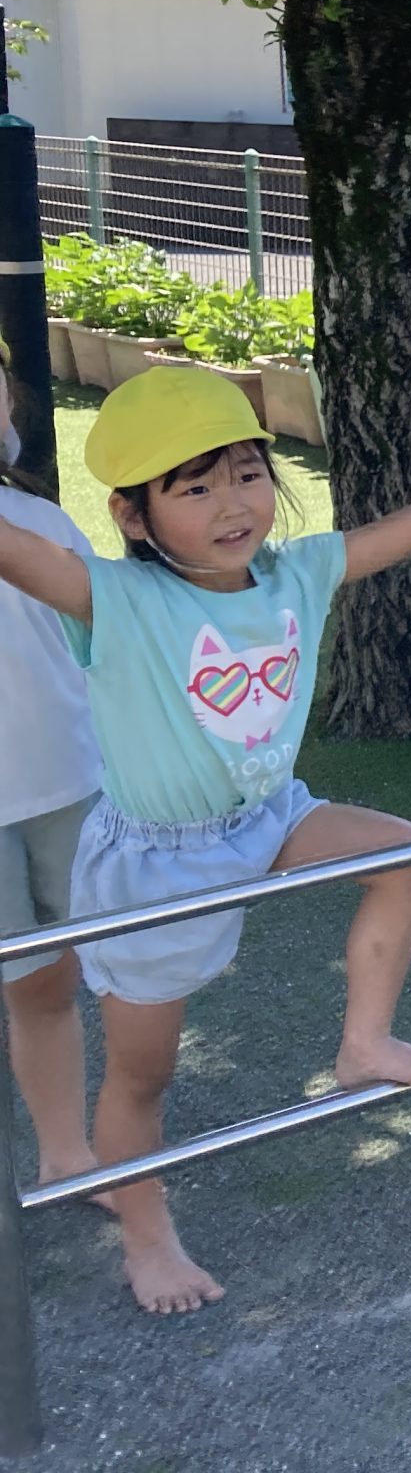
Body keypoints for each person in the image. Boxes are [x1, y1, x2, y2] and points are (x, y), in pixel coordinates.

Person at [0, 364, 411, 1317]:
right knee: (144, 1076)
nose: (234, 504)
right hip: (158, 858)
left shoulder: (298, 571)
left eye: (247, 473)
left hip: (268, 815)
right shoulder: (114, 598)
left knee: (400, 852)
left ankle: (364, 1043)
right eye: (195, 488)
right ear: (133, 516)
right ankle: (147, 1239)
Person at [0, 350, 105, 1199]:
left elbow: (105, 641)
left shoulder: (42, 522)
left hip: (71, 784)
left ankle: (73, 1153)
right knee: (32, 983)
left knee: (60, 978)